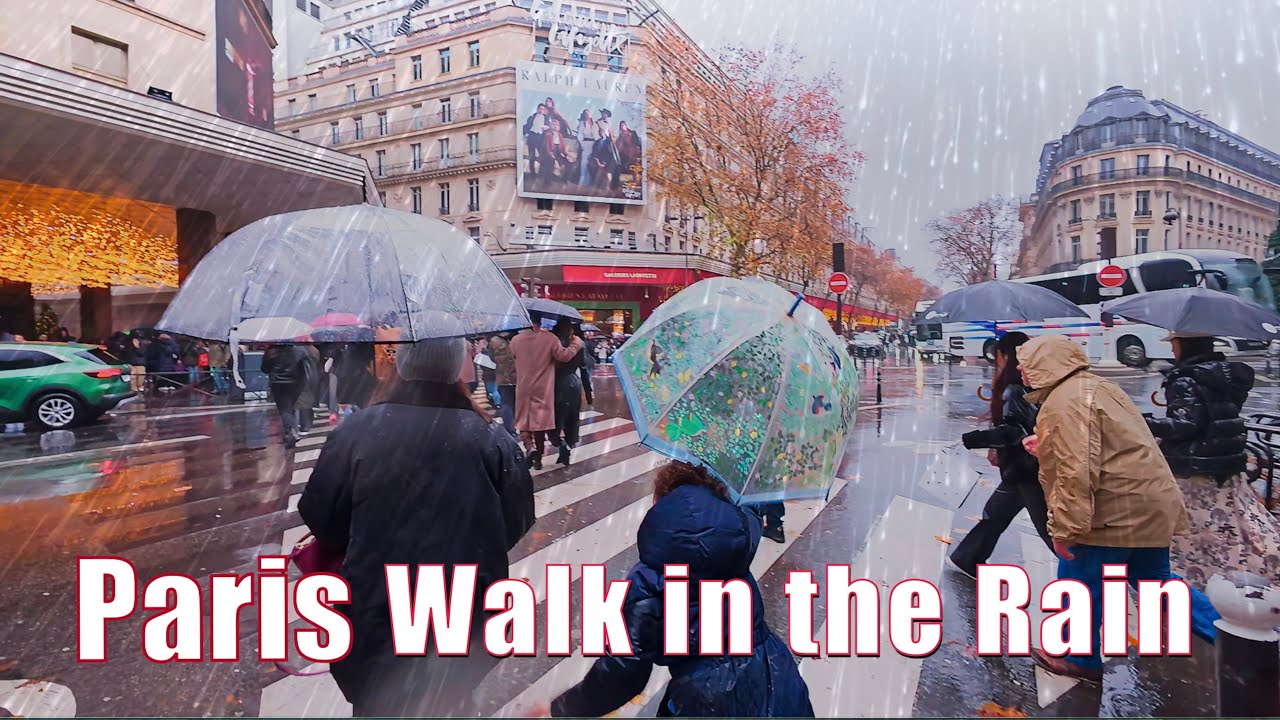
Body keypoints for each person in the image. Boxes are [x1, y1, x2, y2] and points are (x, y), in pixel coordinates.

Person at [298, 336, 535, 717]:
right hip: (461, 605)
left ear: (404, 367)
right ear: (456, 367)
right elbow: (517, 521)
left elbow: (322, 516)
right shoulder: (490, 437)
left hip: (377, 601)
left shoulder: (356, 431)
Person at [540, 461, 814, 718]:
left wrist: (564, 709)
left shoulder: (650, 580)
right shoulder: (734, 549)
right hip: (775, 675)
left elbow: (622, 671)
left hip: (707, 698)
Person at [1017, 335, 1218, 682]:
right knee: (1158, 584)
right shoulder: (1097, 387)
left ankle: (1078, 658)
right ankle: (1232, 634)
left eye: (1027, 363)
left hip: (1112, 512)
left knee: (1078, 582)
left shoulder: (1063, 403)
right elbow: (1109, 444)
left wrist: (1065, 531)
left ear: (1046, 364)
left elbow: (1074, 474)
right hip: (1149, 505)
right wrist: (1050, 445)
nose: (1021, 370)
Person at [1145, 332, 1280, 583]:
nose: (1173, 350)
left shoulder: (1186, 379)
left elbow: (1186, 424)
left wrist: (1146, 422)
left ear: (1185, 345)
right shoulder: (1224, 375)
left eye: (1174, 344)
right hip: (1226, 459)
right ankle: (1243, 569)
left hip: (1195, 464)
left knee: (1193, 528)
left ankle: (1198, 578)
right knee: (1231, 524)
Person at [948, 332, 1052, 578]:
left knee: (1047, 529)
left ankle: (1087, 571)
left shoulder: (1014, 388)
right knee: (995, 514)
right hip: (1022, 468)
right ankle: (967, 559)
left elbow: (1013, 431)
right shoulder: (1030, 384)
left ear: (1006, 354)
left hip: (1026, 469)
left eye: (998, 356)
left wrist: (974, 439)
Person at [511, 313, 582, 470]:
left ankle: (530, 448)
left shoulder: (516, 340)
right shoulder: (550, 339)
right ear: (540, 320)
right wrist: (576, 343)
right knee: (541, 423)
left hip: (523, 386)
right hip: (544, 388)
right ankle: (545, 453)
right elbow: (565, 356)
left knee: (524, 420)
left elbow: (513, 358)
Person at [550, 320, 592, 467]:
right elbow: (584, 369)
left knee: (554, 419)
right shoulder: (579, 344)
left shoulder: (553, 344)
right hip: (575, 383)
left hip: (556, 383)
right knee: (572, 418)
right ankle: (568, 445)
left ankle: (560, 443)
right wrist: (588, 392)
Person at [261, 344, 313, 448]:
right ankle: (290, 431)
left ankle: (291, 432)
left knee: (284, 410)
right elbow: (306, 364)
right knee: (289, 408)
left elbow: (264, 369)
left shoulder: (272, 350)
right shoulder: (299, 349)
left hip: (278, 383)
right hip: (295, 383)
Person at [489, 332, 518, 437]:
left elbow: (491, 357)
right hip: (516, 376)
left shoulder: (493, 341)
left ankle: (510, 430)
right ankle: (512, 428)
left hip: (502, 377)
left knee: (506, 403)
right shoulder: (515, 339)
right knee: (512, 404)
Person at [296, 344, 321, 433]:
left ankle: (304, 424)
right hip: (313, 376)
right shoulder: (314, 350)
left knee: (302, 401)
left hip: (304, 377)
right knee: (308, 400)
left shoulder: (299, 349)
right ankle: (307, 422)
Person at [575, 110, 599, 186]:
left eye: (588, 114)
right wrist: (582, 144)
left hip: (594, 144)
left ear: (590, 115)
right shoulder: (582, 123)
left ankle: (592, 181)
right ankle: (583, 181)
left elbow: (597, 136)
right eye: (585, 114)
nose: (586, 116)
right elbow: (579, 136)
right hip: (585, 144)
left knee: (592, 162)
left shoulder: (595, 124)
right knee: (584, 162)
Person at [523, 103, 549, 175]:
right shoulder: (532, 117)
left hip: (540, 138)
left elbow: (549, 126)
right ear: (537, 109)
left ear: (544, 111)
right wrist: (527, 134)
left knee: (543, 155)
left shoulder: (546, 118)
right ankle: (532, 173)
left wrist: (546, 127)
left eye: (543, 109)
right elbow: (527, 126)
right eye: (540, 108)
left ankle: (541, 172)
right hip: (532, 136)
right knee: (532, 156)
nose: (541, 110)